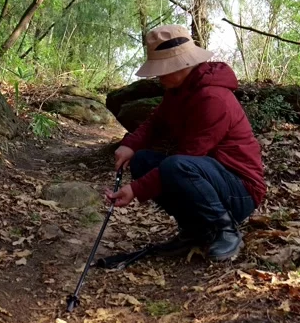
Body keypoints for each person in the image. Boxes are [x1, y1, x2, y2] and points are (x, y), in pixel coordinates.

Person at [107, 24, 266, 261]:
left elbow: (189, 155)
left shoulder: (213, 98)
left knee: (176, 166)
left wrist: (135, 190)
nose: (158, 76)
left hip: (241, 191)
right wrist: (131, 144)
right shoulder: (180, 90)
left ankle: (226, 230)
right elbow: (156, 123)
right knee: (142, 160)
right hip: (209, 178)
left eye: (162, 70)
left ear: (180, 65)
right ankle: (195, 230)